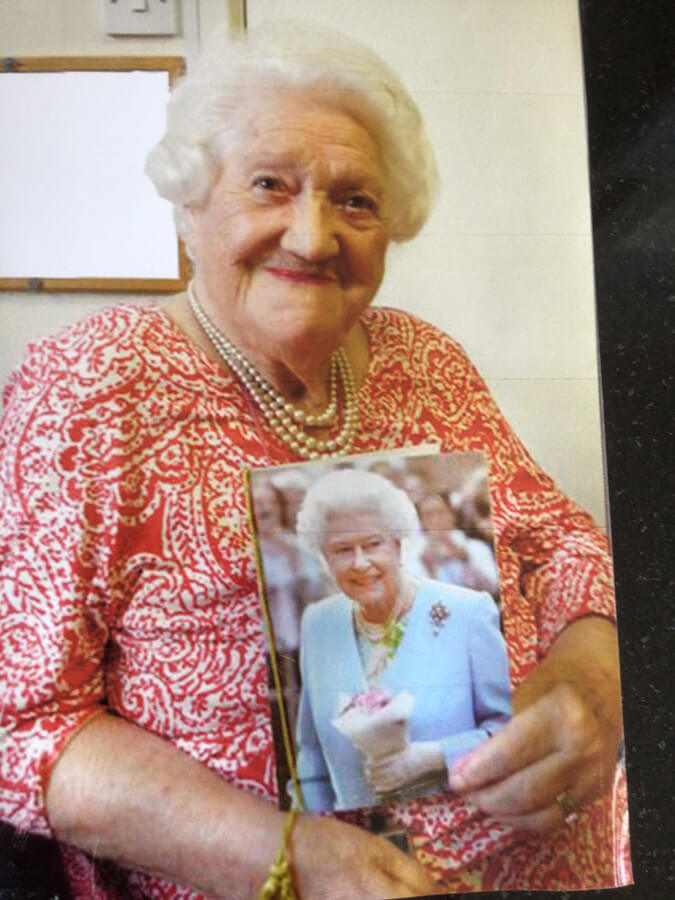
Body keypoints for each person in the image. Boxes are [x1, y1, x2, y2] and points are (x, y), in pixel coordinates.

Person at [0, 19, 625, 899]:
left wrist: (592, 682)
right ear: (190, 202)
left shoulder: (424, 358)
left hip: (545, 855)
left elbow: (562, 547)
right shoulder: (91, 386)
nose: (312, 235)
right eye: (269, 186)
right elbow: (25, 726)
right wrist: (290, 858)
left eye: (355, 200)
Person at [292, 469, 511, 813]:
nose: (360, 563)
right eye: (343, 549)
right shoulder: (318, 623)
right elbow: (312, 759)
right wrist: (316, 831)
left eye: (373, 544)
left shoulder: (467, 612)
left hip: (462, 835)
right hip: (356, 849)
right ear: (324, 557)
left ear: (398, 542)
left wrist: (433, 757)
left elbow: (510, 732)